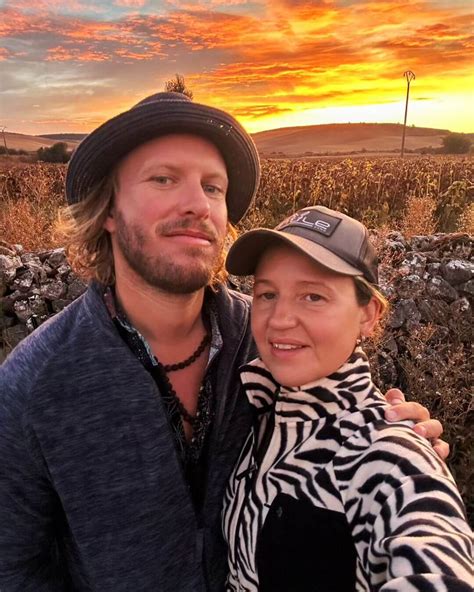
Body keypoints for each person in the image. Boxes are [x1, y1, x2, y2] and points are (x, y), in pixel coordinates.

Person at [0, 93, 448, 592]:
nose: (197, 204)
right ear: (108, 208)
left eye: (212, 187)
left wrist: (404, 442)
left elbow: (359, 439)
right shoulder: (33, 386)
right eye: (163, 178)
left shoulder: (273, 343)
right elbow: (14, 568)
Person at [222, 205, 473, 591]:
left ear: (368, 314)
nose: (280, 319)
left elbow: (435, 556)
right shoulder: (256, 415)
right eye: (267, 293)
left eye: (313, 296)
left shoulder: (392, 456)